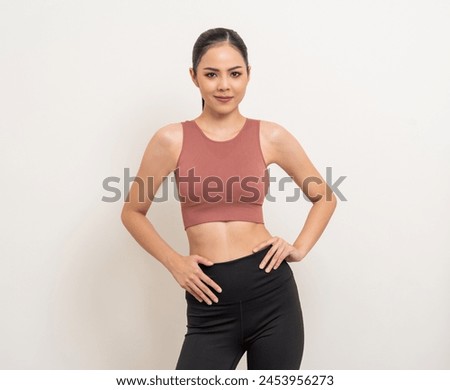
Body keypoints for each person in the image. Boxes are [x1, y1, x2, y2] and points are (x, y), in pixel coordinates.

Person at [121, 27, 337, 370]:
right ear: (194, 77)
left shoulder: (271, 136)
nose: (224, 85)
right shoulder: (170, 139)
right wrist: (174, 262)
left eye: (235, 74)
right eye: (211, 74)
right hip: (209, 303)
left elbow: (324, 196)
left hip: (272, 297)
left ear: (248, 75)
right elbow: (132, 212)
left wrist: (299, 247)